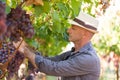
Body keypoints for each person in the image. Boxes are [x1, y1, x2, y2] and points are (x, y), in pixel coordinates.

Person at [15, 11, 100, 80]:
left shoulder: (88, 59)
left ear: (85, 34)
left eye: (73, 28)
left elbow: (54, 68)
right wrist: (26, 47)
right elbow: (49, 61)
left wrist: (25, 51)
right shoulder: (73, 53)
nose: (68, 30)